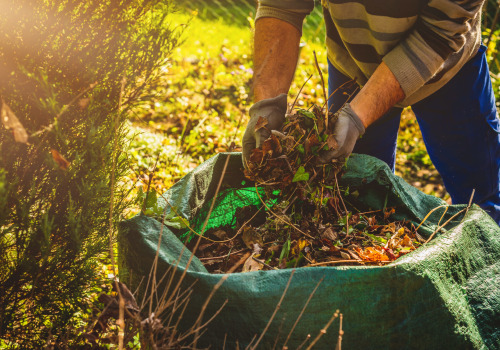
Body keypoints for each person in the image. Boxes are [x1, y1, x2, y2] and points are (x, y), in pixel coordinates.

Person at [242, 0, 500, 225]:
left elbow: (440, 30)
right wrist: (266, 104)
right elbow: (281, 5)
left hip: (449, 66)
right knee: (358, 204)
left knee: (481, 204)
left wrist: (358, 116)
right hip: (354, 62)